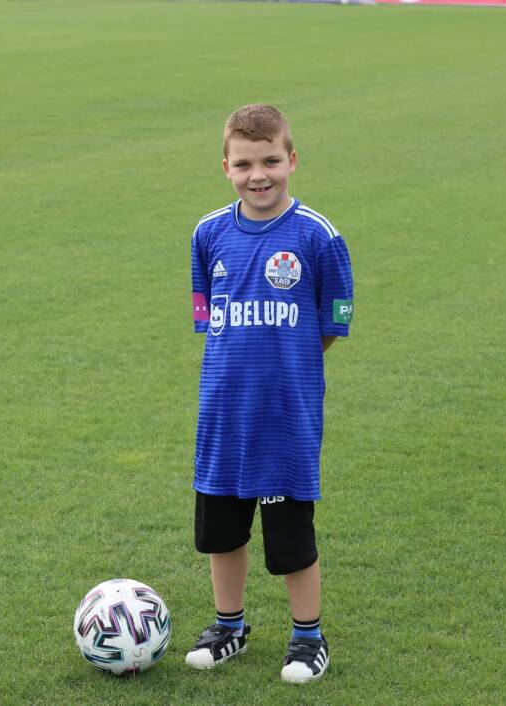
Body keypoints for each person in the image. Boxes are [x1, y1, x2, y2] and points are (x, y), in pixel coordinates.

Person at [185, 104, 354, 684]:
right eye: (245, 164)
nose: (259, 175)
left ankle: (308, 638)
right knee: (221, 533)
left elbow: (332, 322)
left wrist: (290, 364)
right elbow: (210, 322)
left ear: (293, 160)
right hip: (224, 417)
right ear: (226, 167)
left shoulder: (318, 236)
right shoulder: (207, 234)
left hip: (286, 419)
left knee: (290, 538)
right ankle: (228, 626)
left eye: (272, 161)